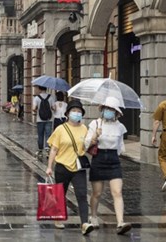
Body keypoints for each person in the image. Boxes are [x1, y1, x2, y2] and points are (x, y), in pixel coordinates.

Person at [45, 99, 93, 235]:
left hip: (78, 167)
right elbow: (54, 149)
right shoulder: (60, 129)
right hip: (62, 166)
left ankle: (84, 223)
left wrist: (95, 138)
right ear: (68, 113)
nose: (76, 113)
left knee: (82, 194)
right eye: (74, 111)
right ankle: (58, 218)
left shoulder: (84, 128)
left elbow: (87, 146)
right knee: (60, 194)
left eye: (79, 111)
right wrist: (49, 167)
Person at [84, 96, 131, 235]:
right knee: (97, 193)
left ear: (116, 112)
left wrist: (118, 153)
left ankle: (120, 222)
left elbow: (121, 147)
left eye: (112, 109)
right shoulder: (95, 124)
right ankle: (93, 215)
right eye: (107, 108)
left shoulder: (120, 127)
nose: (109, 111)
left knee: (117, 192)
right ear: (102, 109)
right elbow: (86, 144)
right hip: (98, 159)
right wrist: (95, 137)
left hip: (113, 160)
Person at [32, 86, 55, 156]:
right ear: (46, 89)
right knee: (48, 135)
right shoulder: (51, 97)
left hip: (40, 119)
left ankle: (40, 151)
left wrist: (37, 110)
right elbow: (54, 108)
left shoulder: (36, 98)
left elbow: (33, 108)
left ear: (39, 89)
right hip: (49, 119)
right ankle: (48, 151)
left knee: (40, 135)